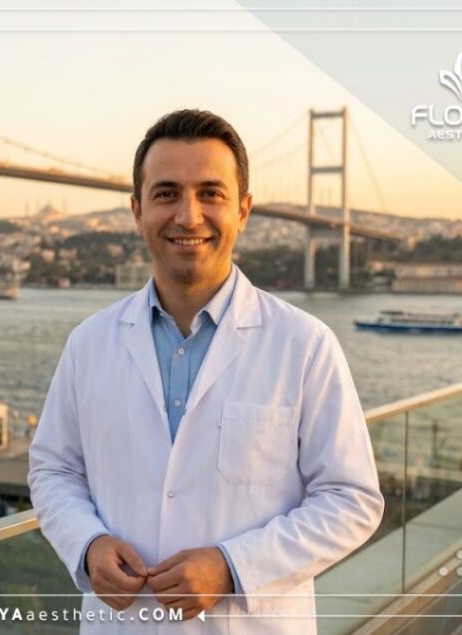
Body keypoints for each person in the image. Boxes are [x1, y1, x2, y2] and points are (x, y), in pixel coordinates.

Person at [27, 109, 384, 634]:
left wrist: (233, 567)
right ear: (137, 210)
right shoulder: (89, 343)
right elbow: (53, 469)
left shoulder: (305, 345)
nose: (189, 216)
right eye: (166, 193)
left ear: (244, 210)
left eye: (210, 194)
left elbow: (352, 500)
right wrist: (87, 544)